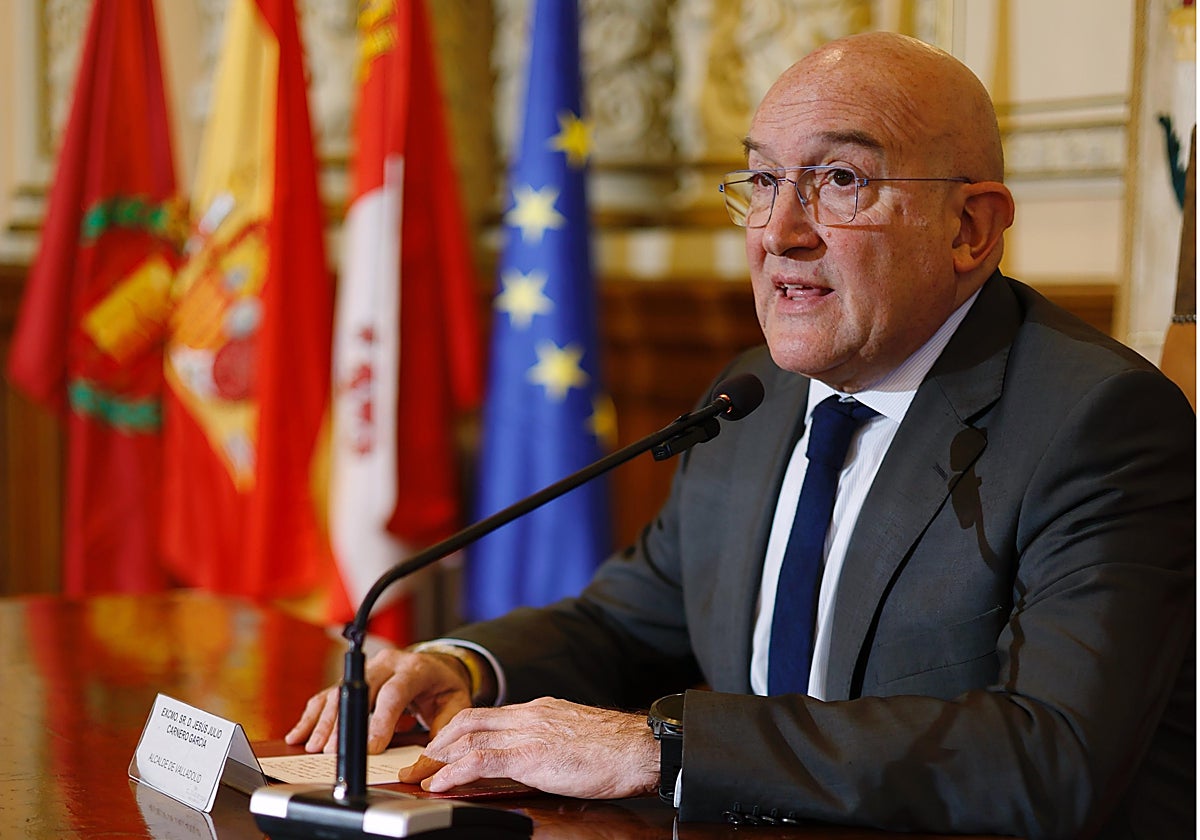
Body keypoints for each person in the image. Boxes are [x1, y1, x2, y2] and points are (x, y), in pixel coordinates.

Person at [287, 31, 1195, 838]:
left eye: (840, 180)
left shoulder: (1098, 425)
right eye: (763, 180)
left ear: (970, 227)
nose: (778, 232)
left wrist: (667, 752)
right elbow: (630, 619)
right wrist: (465, 665)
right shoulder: (752, 397)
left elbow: (1051, 757)